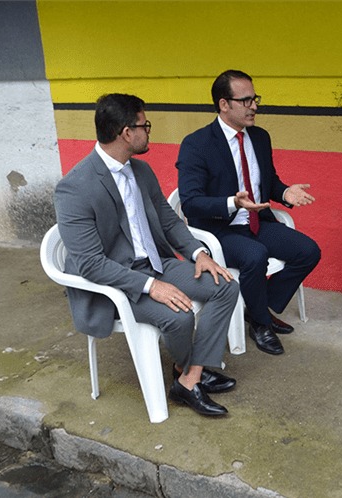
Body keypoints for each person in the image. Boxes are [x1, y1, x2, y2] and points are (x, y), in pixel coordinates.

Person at [54, 93, 241, 418]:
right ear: (127, 133)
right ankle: (189, 375)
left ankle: (190, 376)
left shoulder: (139, 171)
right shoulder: (75, 188)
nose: (149, 132)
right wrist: (151, 287)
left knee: (225, 285)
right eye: (145, 125)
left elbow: (168, 220)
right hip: (115, 282)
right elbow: (89, 263)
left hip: (157, 263)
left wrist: (199, 252)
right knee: (179, 316)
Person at [176, 69, 321, 356]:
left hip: (256, 222)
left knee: (308, 251)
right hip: (219, 230)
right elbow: (190, 202)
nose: (254, 106)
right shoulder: (197, 144)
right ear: (224, 104)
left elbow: (267, 182)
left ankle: (258, 306)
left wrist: (284, 193)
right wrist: (232, 202)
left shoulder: (260, 137)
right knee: (255, 255)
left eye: (255, 98)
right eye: (245, 100)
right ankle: (260, 323)